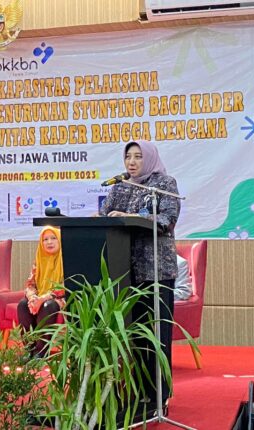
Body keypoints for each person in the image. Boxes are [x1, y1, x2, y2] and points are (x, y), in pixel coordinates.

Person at [98, 140, 180, 415]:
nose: (132, 162)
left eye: (138, 157)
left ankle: (158, 396)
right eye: (128, 157)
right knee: (133, 335)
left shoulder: (163, 184)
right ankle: (134, 394)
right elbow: (104, 216)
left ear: (149, 158)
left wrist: (131, 215)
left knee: (156, 335)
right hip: (124, 271)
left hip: (156, 270)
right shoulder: (119, 186)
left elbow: (167, 220)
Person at [17, 226, 65, 357]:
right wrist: (32, 298)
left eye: (53, 238)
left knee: (47, 306)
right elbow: (30, 284)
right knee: (23, 305)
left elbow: (65, 286)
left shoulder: (66, 259)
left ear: (60, 240)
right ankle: (29, 349)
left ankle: (41, 352)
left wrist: (43, 298)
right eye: (45, 239)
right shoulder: (39, 260)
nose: (49, 242)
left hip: (60, 299)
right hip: (39, 297)